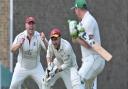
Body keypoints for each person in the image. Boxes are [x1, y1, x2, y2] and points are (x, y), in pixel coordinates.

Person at [70, 0, 105, 89]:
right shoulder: (84, 22)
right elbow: (79, 41)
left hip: (93, 59)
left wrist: (76, 38)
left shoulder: (88, 21)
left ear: (78, 9)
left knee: (78, 81)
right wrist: (75, 36)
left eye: (75, 9)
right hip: (90, 60)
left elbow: (89, 44)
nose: (75, 12)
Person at [9, 16, 48, 89]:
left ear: (35, 26)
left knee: (45, 85)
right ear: (26, 25)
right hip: (21, 67)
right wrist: (19, 44)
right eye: (29, 24)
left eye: (32, 24)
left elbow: (48, 49)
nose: (31, 26)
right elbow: (12, 50)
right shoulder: (20, 36)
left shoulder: (39, 36)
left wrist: (44, 40)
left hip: (36, 67)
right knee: (13, 86)